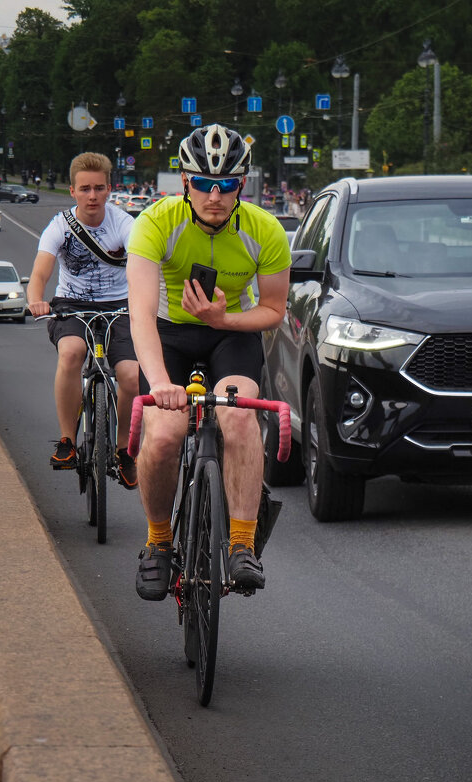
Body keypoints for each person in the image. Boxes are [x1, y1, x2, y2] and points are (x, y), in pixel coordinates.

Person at [126, 123, 291, 600]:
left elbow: (274, 311)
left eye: (226, 184)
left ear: (243, 183)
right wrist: (159, 385)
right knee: (163, 435)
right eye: (202, 183)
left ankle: (242, 545)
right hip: (167, 334)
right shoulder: (155, 223)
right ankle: (158, 543)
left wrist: (223, 319)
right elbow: (139, 317)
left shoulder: (265, 230)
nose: (214, 195)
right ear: (184, 183)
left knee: (239, 418)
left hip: (229, 334)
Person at [26, 152, 139, 489]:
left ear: (110, 190)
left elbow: (141, 262)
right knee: (72, 352)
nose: (92, 196)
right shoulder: (60, 226)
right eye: (85, 189)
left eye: (99, 188)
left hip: (119, 306)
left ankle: (123, 451)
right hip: (71, 305)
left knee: (131, 376)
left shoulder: (124, 224)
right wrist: (36, 300)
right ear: (72, 191)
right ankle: (67, 441)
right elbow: (41, 271)